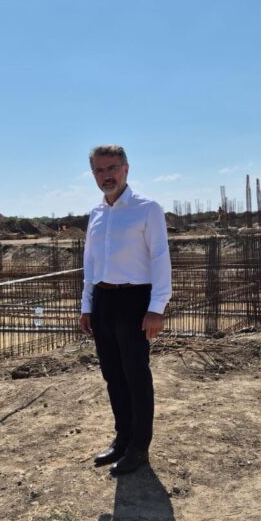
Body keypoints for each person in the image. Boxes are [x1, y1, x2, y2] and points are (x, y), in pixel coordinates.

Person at [79, 145, 172, 476]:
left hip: (134, 300)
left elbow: (160, 258)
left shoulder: (147, 209)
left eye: (112, 168)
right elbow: (90, 263)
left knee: (135, 374)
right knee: (113, 375)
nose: (107, 175)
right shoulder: (96, 213)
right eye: (99, 170)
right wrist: (87, 305)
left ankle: (139, 447)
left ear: (126, 169)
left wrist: (157, 308)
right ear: (93, 174)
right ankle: (122, 439)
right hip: (103, 300)